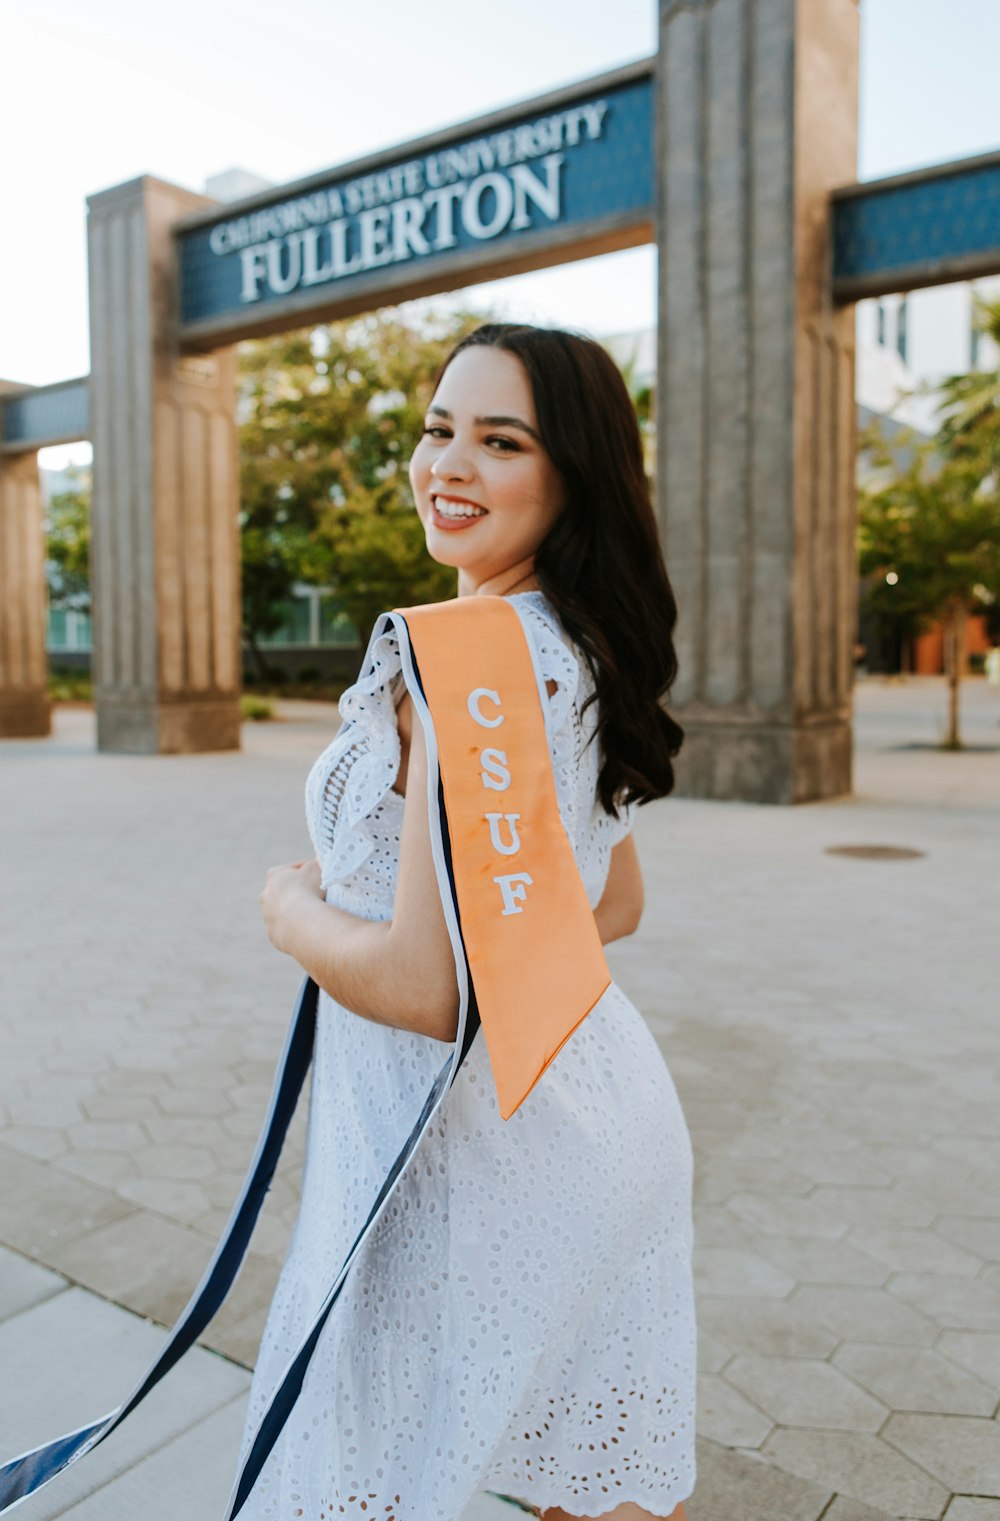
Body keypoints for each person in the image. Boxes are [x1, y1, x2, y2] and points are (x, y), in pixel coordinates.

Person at [247, 323, 696, 1521]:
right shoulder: (570, 648)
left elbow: (427, 988)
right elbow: (620, 897)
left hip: (489, 1165)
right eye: (439, 428)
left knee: (361, 1483)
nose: (447, 464)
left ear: (570, 478)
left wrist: (293, 912)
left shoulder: (481, 665)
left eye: (499, 441)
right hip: (576, 1126)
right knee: (600, 1493)